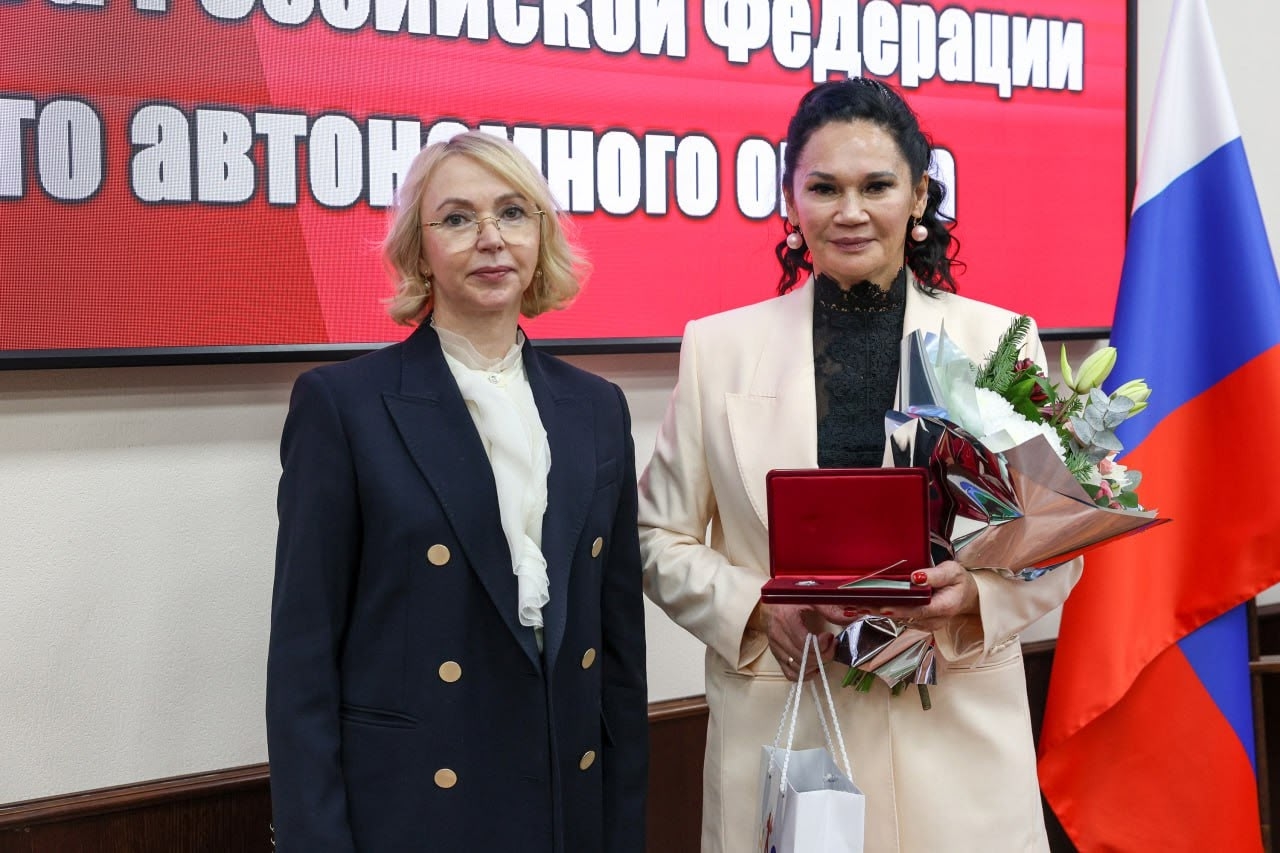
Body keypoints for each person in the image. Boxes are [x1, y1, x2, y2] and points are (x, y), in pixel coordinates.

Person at [637, 78, 1083, 853]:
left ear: (919, 196)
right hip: (789, 731)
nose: (850, 211)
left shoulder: (997, 340)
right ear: (790, 200)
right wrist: (755, 608)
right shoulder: (718, 347)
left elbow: (1060, 538)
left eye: (876, 185)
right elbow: (657, 535)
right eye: (824, 187)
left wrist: (976, 596)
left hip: (957, 751)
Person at [265, 131, 648, 852]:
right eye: (458, 218)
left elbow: (619, 656)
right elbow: (302, 659)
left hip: (565, 806)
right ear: (419, 250)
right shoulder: (343, 406)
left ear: (539, 236)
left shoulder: (598, 408)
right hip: (416, 809)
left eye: (513, 212)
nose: (490, 238)